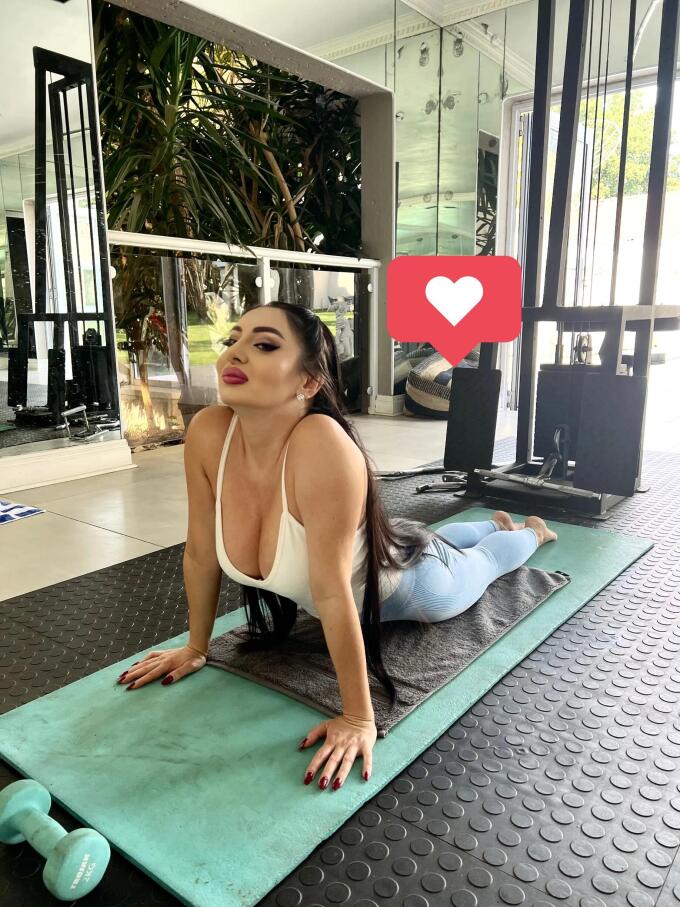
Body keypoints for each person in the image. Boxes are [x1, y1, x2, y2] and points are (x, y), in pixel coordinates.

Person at [116, 302, 557, 793]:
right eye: (232, 340)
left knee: (483, 562)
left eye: (264, 345)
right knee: (427, 539)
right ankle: (486, 524)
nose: (234, 354)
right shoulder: (208, 432)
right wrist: (196, 648)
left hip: (417, 586)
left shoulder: (321, 444)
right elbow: (201, 554)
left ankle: (530, 533)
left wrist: (358, 717)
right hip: (390, 541)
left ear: (308, 382)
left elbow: (330, 591)